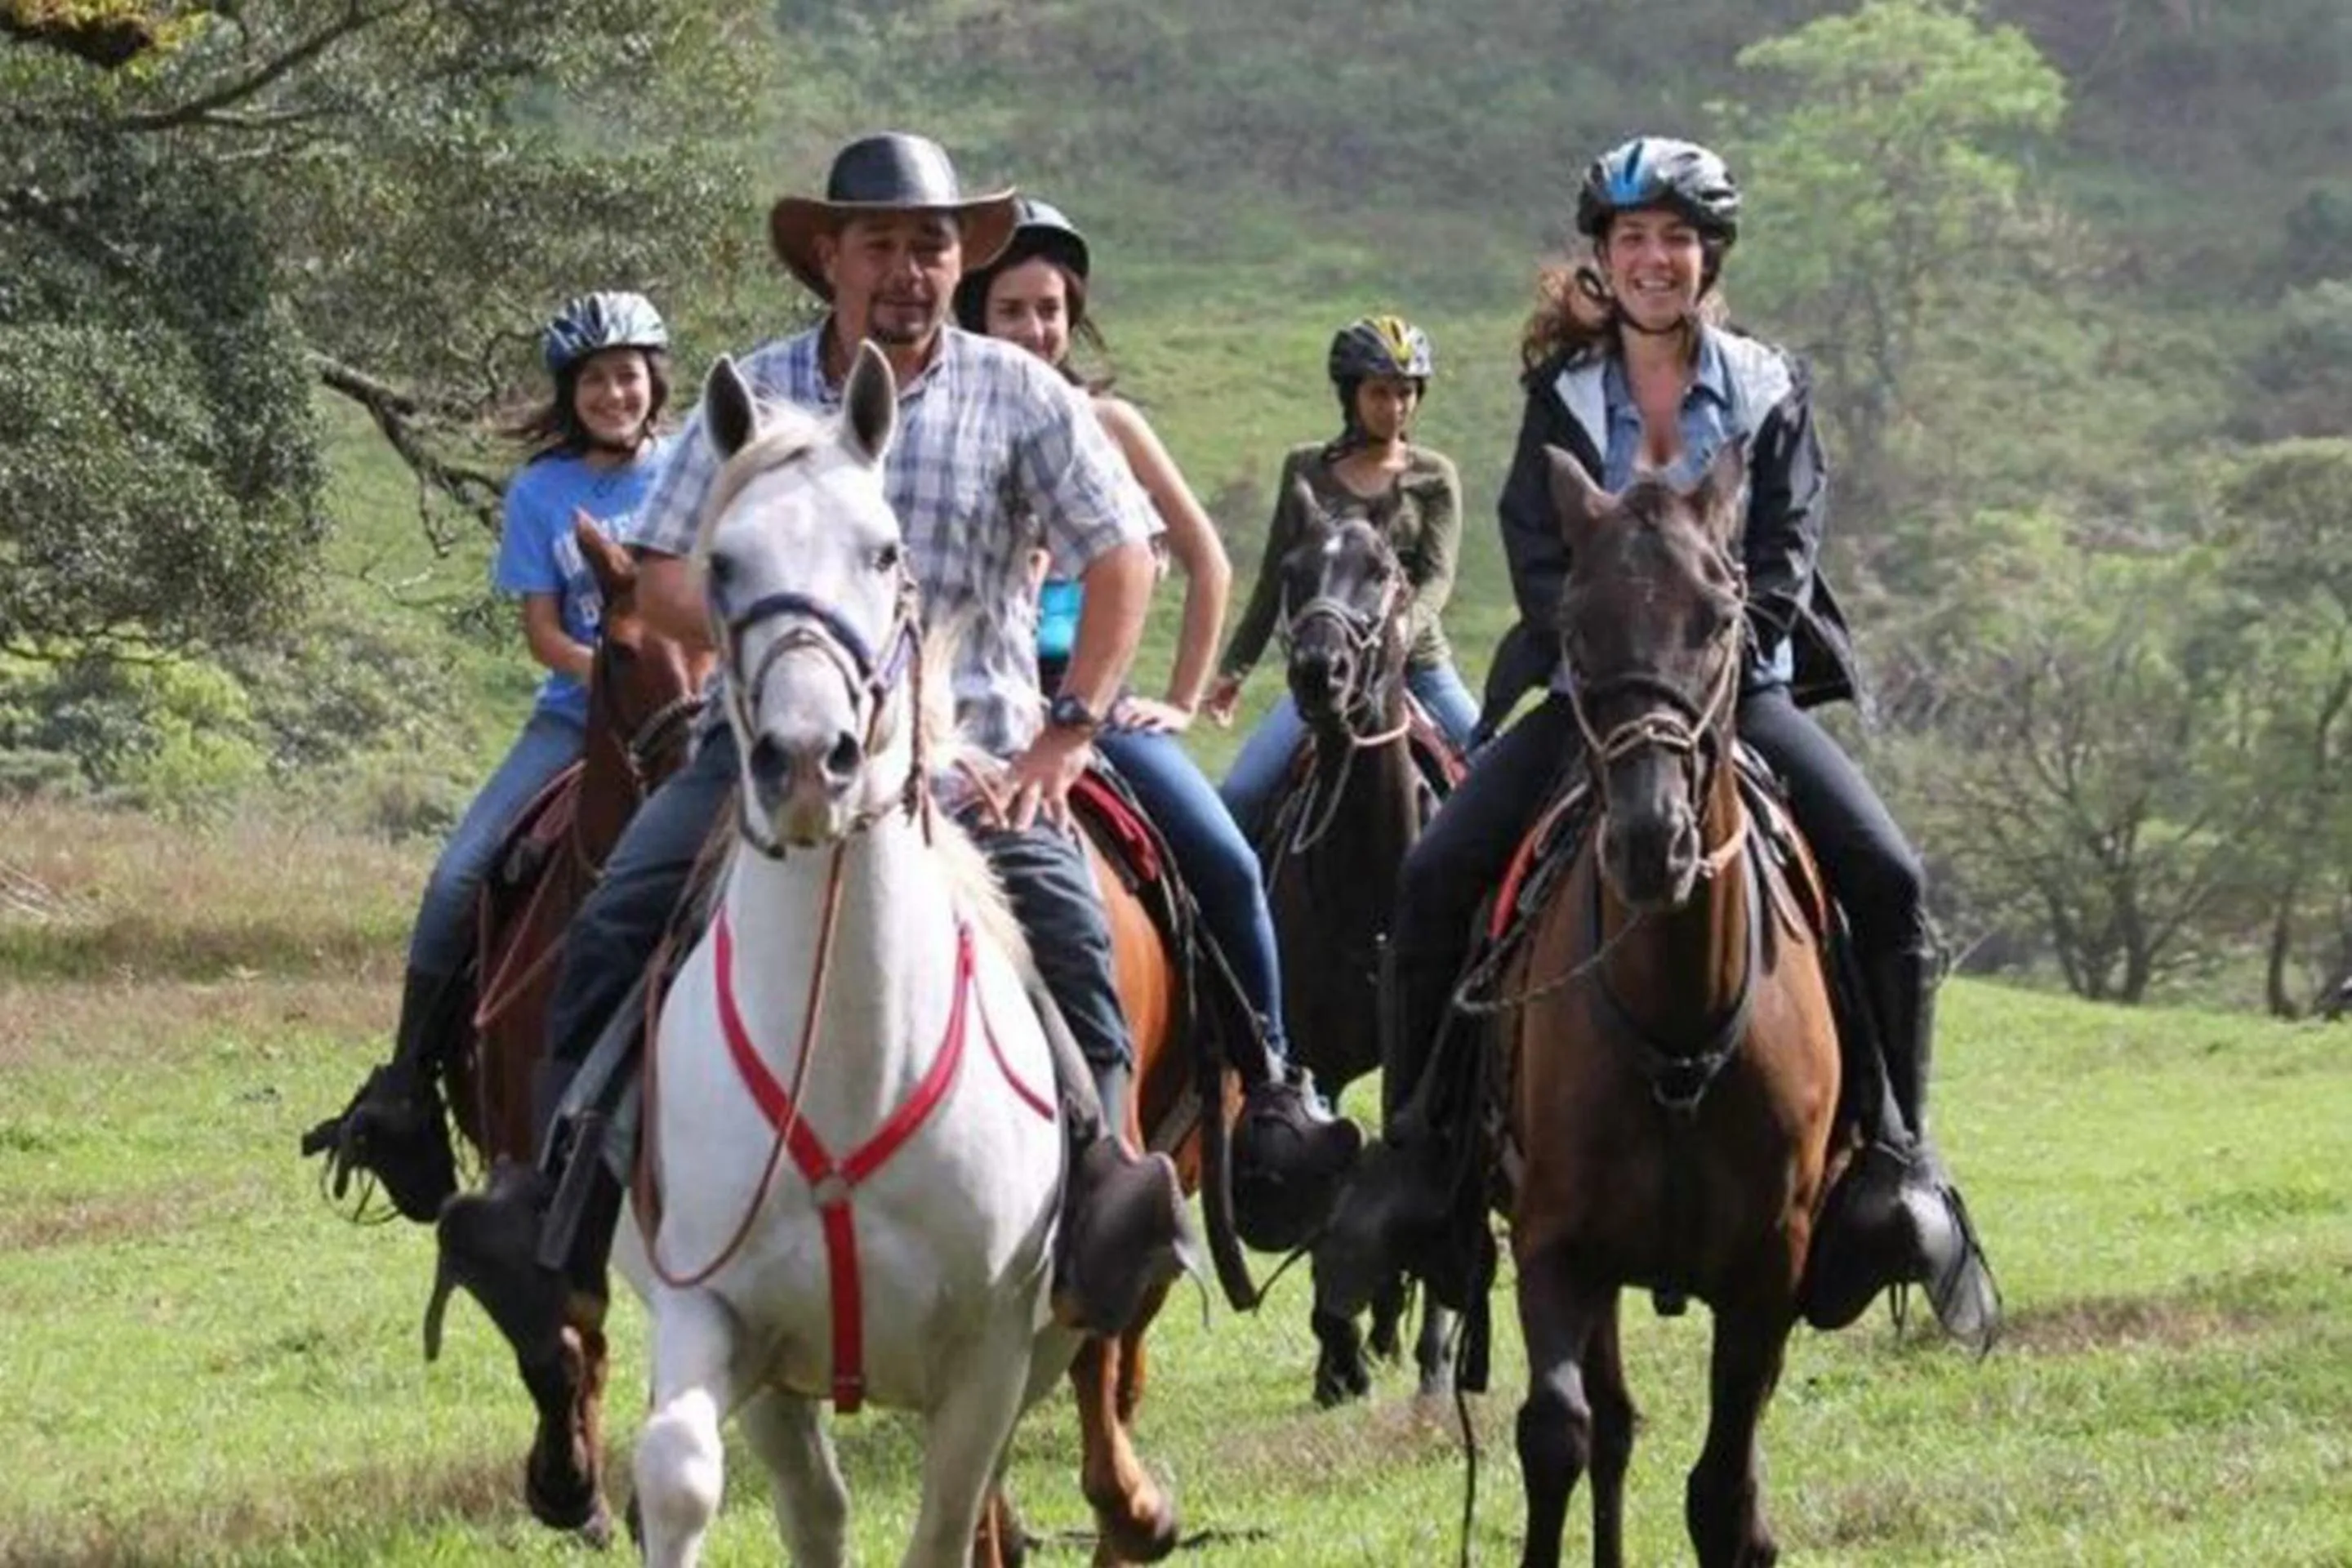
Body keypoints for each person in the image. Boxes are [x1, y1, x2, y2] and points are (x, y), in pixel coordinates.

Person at [426, 134, 1205, 1453]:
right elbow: (663, 576)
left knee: (1073, 934)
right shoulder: (754, 390)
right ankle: (557, 1203)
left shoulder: (1022, 393)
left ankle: (1106, 1199)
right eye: (884, 246)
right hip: (762, 749)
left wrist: (1069, 734)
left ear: (964, 261)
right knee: (617, 912)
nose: (912, 271)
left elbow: (1123, 556)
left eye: (935, 246)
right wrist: (773, 610)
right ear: (829, 257)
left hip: (970, 757)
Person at [1354, 136, 1995, 1337]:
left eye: (1676, 240)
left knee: (1891, 880)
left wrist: (1704, 666)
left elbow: (1786, 557)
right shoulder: (1566, 396)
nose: (1654, 260)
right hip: (1597, 701)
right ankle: (1424, 1159)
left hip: (1732, 689)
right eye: (1632, 240)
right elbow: (1539, 555)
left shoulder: (1768, 389)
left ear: (1709, 259)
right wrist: (1606, 669)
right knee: (1437, 875)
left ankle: (1899, 1158)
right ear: (1603, 259)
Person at [953, 198, 1361, 1244]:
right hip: (975, 709)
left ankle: (1269, 1076)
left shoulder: (1112, 425)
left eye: (1050, 310)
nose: (1035, 329)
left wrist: (1176, 698)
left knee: (1222, 857)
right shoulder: (952, 421)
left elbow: (1208, 559)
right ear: (977, 316)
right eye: (1012, 310)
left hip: (1093, 706)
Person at [303, 291, 674, 1223]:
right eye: (594, 380)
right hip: (576, 714)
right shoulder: (541, 494)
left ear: (653, 381)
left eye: (627, 375)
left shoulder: (691, 475)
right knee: (460, 869)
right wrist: (612, 677)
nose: (613, 393)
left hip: (683, 716)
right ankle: (405, 1082)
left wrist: (661, 687)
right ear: (570, 392)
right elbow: (543, 634)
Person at [1207, 315, 1476, 836]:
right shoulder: (1306, 469)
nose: (1395, 408)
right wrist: (1236, 668)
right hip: (1328, 664)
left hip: (1416, 663)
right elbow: (1273, 579)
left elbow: (1438, 577)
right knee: (1241, 793)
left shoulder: (1434, 476)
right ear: (1351, 394)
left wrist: (1402, 631)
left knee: (1488, 770)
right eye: (1380, 393)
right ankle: (1243, 918)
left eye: (1406, 393)